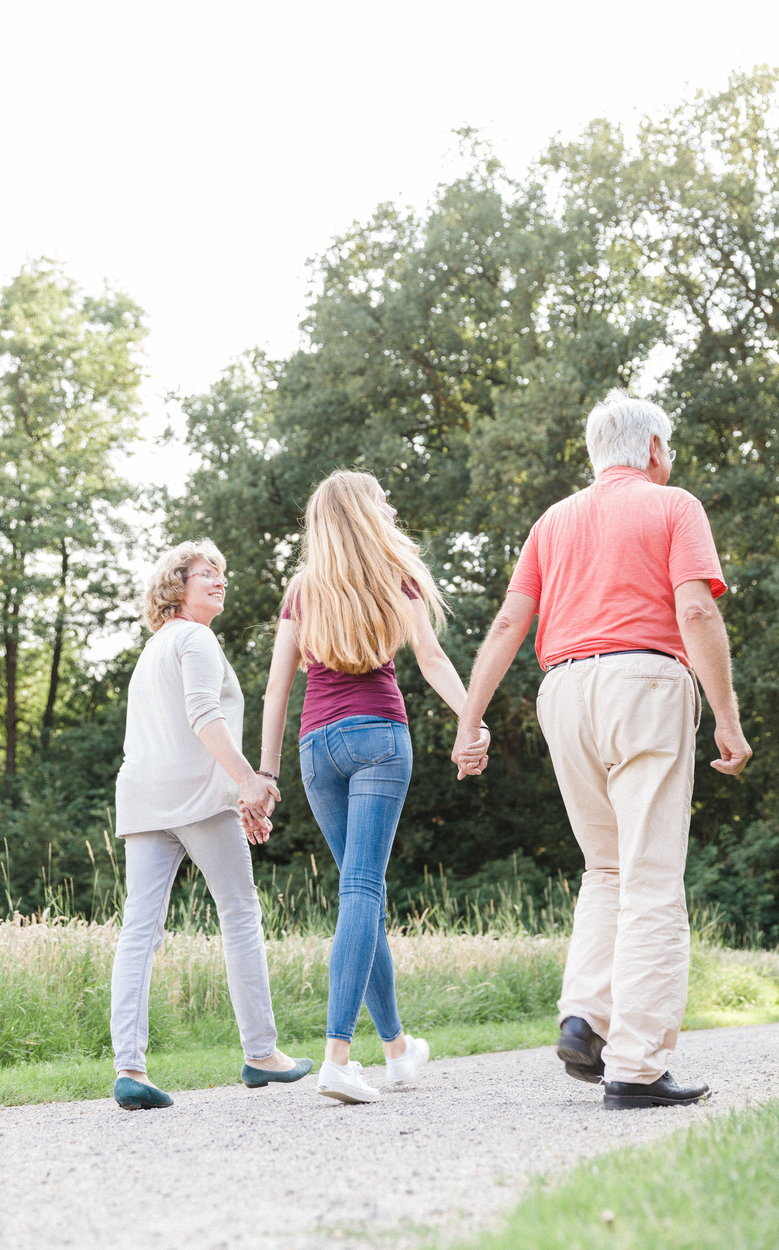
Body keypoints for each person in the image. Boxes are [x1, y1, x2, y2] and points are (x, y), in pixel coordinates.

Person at [452, 389, 752, 1111]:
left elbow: (505, 626)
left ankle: (585, 1018)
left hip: (562, 691)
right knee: (649, 878)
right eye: (666, 448)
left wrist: (470, 719)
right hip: (643, 681)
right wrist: (726, 718)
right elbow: (695, 609)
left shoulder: (551, 521)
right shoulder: (671, 503)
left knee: (605, 869)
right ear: (652, 450)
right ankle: (636, 1067)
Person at [259, 470, 490, 1104]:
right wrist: (472, 721)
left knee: (363, 892)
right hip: (377, 737)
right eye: (382, 499)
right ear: (365, 514)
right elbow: (432, 658)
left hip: (314, 750)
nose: (391, 505)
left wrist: (266, 773)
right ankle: (338, 1057)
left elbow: (277, 689)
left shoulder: (302, 590)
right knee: (362, 889)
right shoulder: (394, 578)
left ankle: (396, 1051)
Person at [110, 539, 312, 1110]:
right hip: (196, 800)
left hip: (144, 798)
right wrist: (249, 785)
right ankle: (262, 1053)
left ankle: (130, 1066)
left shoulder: (153, 649)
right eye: (205, 574)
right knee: (240, 912)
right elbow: (204, 715)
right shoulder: (195, 638)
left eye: (222, 573)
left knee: (139, 930)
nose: (219, 582)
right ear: (178, 586)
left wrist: (238, 790)